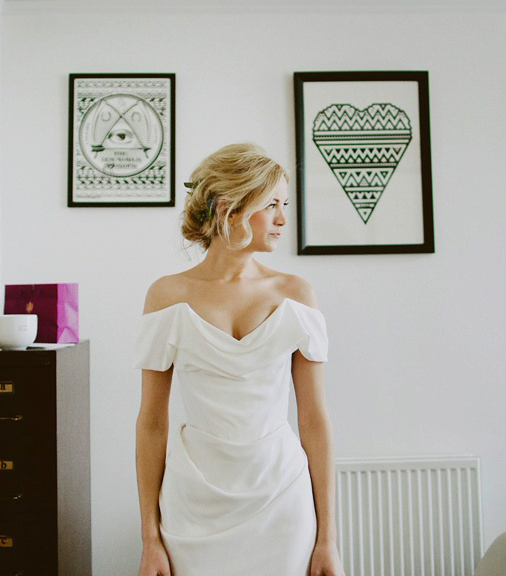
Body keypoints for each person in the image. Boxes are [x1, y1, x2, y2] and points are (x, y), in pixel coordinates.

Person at [134, 143, 346, 576]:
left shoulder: (296, 295)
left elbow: (314, 420)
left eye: (284, 205)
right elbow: (152, 422)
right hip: (194, 502)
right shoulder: (166, 296)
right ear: (230, 209)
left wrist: (328, 540)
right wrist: (150, 538)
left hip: (281, 498)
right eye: (272, 205)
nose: (283, 219)